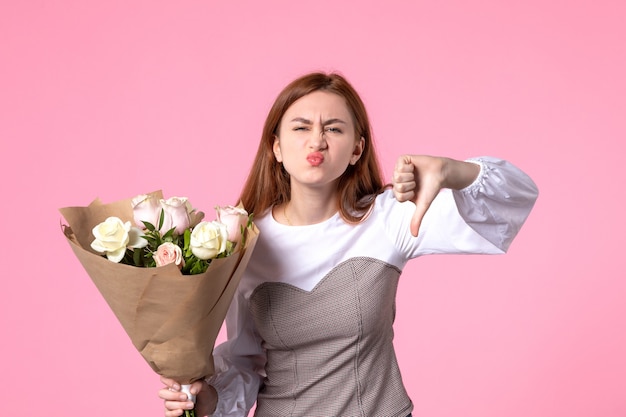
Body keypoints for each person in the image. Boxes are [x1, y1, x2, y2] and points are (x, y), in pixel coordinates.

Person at [158, 72, 538, 417]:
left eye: (335, 129)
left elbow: (512, 202)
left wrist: (451, 170)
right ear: (275, 147)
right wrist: (208, 401)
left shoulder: (389, 218)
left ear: (357, 150)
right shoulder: (244, 243)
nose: (317, 140)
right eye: (301, 127)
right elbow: (245, 362)